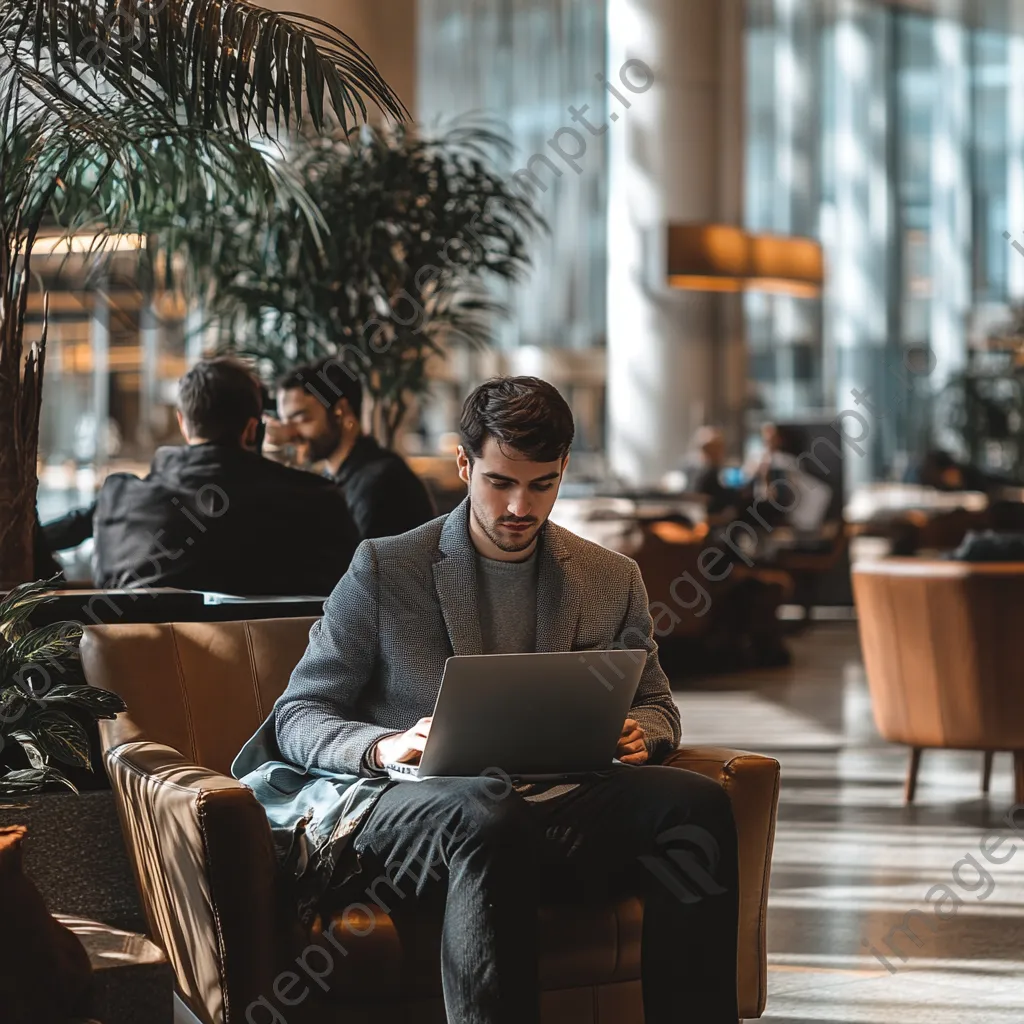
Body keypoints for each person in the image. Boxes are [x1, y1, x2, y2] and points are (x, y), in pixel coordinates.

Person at [233, 376, 740, 1023]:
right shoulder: (387, 568)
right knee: (486, 811)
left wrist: (643, 730)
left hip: (557, 799)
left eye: (542, 484)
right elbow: (298, 714)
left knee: (696, 804)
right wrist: (385, 745)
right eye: (501, 482)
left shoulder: (611, 579)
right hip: (416, 807)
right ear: (465, 464)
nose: (520, 506)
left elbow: (656, 704)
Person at [80, 357, 358, 595]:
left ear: (183, 423)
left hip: (133, 657)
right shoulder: (319, 500)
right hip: (276, 657)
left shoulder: (118, 498)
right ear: (252, 430)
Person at [271, 358, 436, 539]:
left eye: (302, 419)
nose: (289, 433)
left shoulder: (383, 482)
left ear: (340, 410)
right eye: (284, 422)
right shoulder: (333, 477)